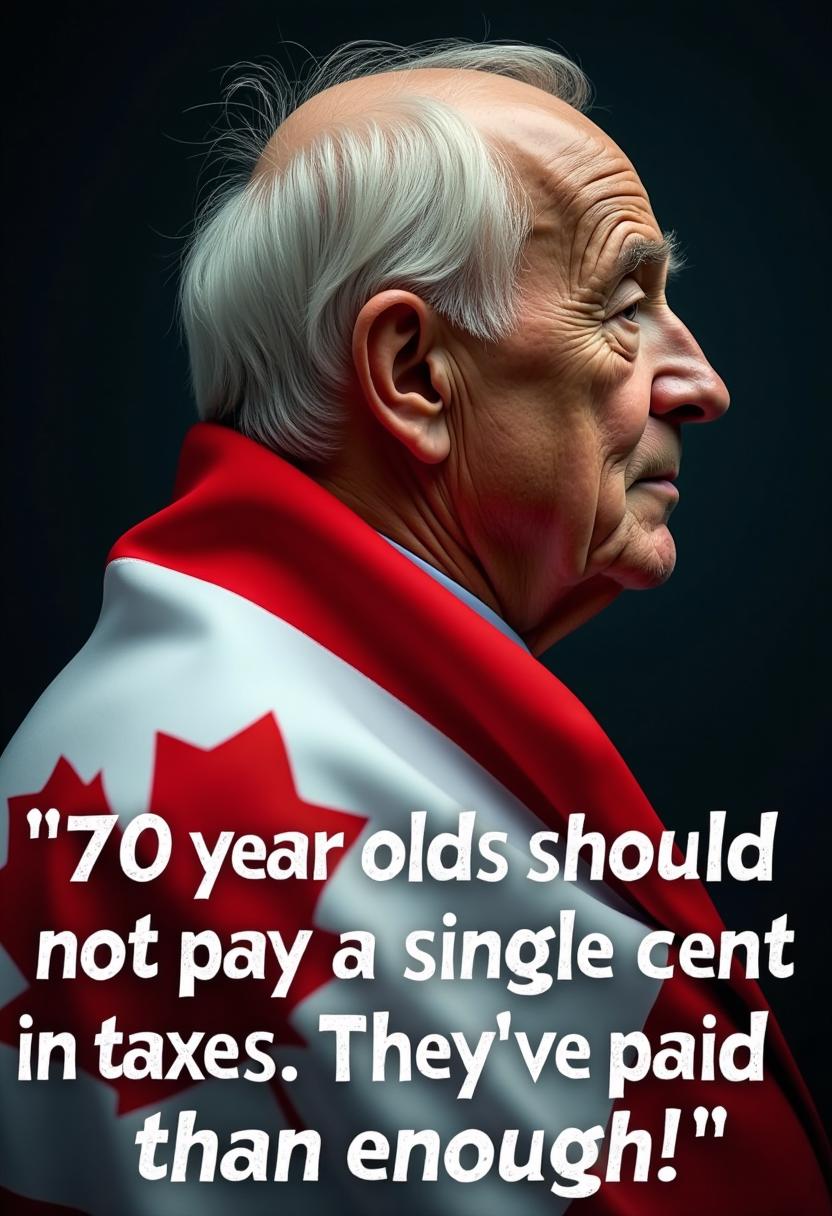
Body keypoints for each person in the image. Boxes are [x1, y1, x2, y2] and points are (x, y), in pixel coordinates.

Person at [0, 39, 828, 1216]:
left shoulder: (188, 723)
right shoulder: (228, 791)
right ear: (413, 371)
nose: (697, 380)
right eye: (625, 304)